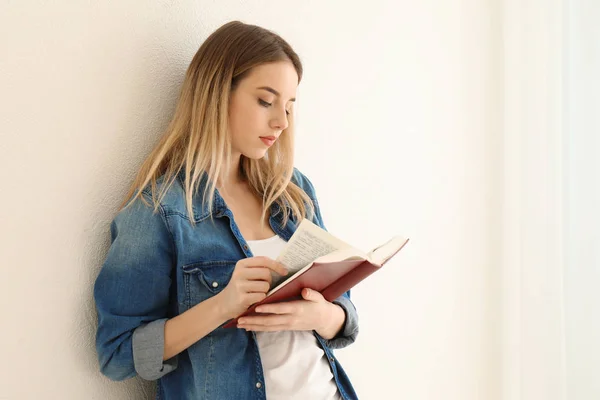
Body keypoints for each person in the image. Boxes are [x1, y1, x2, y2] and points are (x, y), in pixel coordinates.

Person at [93, 20, 359, 400]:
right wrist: (222, 306)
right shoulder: (158, 211)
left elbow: (343, 311)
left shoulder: (294, 192)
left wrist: (325, 317)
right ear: (217, 94)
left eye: (288, 107)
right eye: (266, 101)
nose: (281, 122)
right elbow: (118, 354)